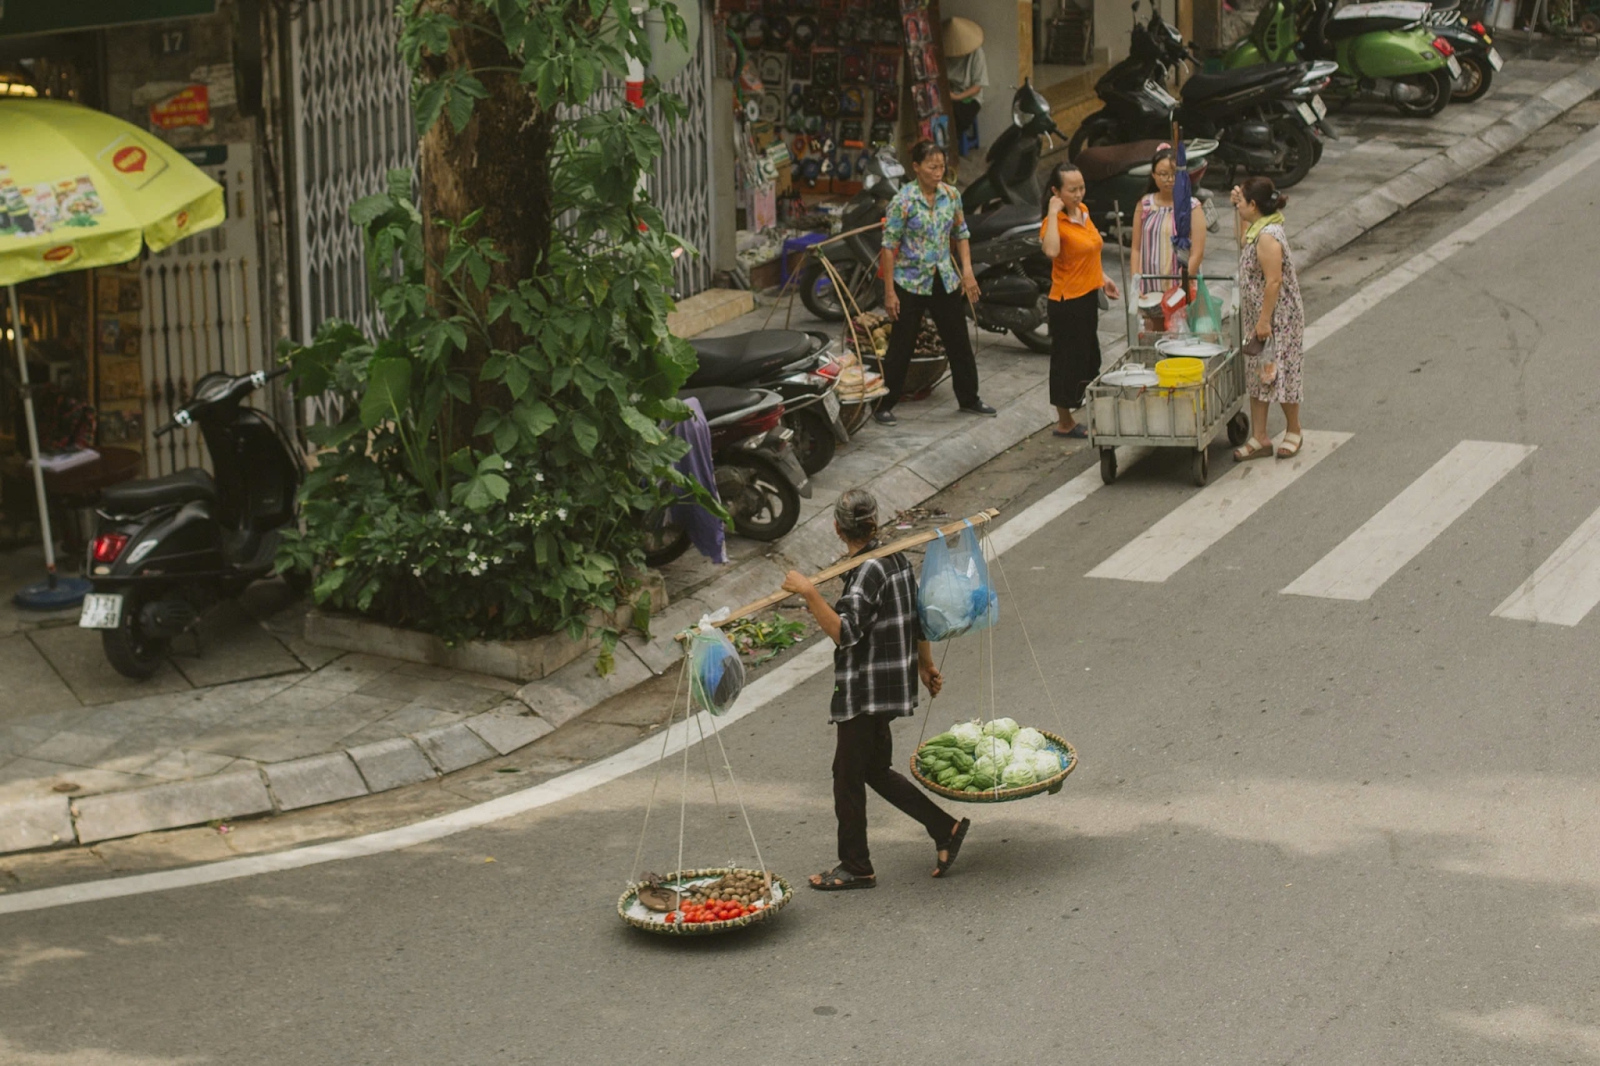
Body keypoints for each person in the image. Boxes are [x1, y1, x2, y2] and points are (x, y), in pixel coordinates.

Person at [782, 489, 971, 890]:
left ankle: (856, 866)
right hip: (887, 686)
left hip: (866, 692)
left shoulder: (868, 569)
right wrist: (925, 662)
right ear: (874, 523)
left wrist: (809, 593)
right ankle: (945, 828)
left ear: (837, 528)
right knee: (873, 770)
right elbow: (915, 617)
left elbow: (845, 633)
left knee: (846, 777)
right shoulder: (895, 557)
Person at [875, 140, 994, 426]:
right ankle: (884, 404)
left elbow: (962, 233)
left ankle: (969, 398)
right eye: (932, 167)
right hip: (910, 281)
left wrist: (967, 272)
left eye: (941, 166)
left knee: (958, 340)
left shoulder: (951, 196)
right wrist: (889, 292)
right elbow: (888, 247)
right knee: (901, 345)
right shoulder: (903, 201)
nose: (938, 172)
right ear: (916, 168)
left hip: (943, 277)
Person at [1040, 162, 1120, 439]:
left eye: (1081, 188)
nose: (1078, 194)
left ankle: (1082, 413)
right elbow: (1050, 250)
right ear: (1056, 191)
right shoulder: (1053, 223)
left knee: (1089, 358)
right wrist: (1052, 213)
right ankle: (1064, 422)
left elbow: (1091, 251)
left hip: (1087, 297)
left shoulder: (1084, 212)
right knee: (1066, 361)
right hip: (1066, 301)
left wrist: (1103, 278)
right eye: (1071, 190)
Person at [1230, 176, 1306, 461]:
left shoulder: (1268, 237)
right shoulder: (1258, 227)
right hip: (1259, 317)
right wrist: (1238, 207)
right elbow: (1242, 236)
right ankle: (1260, 436)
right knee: (1258, 375)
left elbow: (1273, 282)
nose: (1239, 206)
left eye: (1243, 202)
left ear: (1254, 204)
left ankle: (1294, 428)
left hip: (1278, 319)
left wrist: (1264, 322)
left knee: (1281, 373)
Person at [1129, 143, 1206, 330]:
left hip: (1180, 282)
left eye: (1173, 174)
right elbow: (1136, 248)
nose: (1168, 180)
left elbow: (1198, 250)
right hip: (1151, 283)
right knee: (1154, 330)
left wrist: (1185, 283)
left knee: (1181, 330)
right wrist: (1136, 280)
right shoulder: (1144, 204)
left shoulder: (1192, 207)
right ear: (1153, 175)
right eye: (1163, 174)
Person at [943, 17, 989, 155]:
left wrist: (957, 97)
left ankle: (949, 147)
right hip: (949, 92)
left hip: (970, 96)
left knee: (957, 115)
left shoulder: (976, 53)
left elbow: (978, 85)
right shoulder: (945, 52)